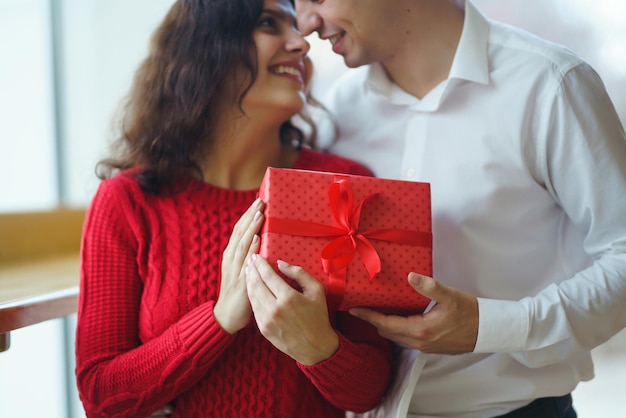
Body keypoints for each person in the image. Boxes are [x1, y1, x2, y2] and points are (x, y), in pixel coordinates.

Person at [289, 0, 626, 417]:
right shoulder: (338, 112)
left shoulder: (549, 84)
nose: (305, 25)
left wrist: (493, 326)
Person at [74, 0, 393, 417]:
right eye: (268, 23)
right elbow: (101, 396)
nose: (300, 43)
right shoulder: (128, 201)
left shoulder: (343, 187)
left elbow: (371, 391)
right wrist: (219, 319)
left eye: (295, 28)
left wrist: (320, 347)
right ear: (205, 48)